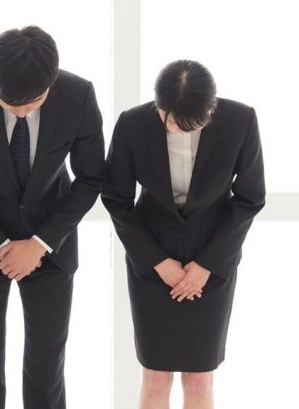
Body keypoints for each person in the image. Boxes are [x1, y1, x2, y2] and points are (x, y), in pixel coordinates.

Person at [0, 26, 105, 409]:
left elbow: (91, 177)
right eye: (10, 103)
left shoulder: (78, 95)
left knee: (47, 366)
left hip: (51, 243)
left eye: (33, 102)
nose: (22, 111)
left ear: (51, 82)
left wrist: (40, 244)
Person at [101, 60, 266, 408]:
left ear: (211, 108)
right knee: (155, 378)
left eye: (192, 124)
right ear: (158, 106)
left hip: (212, 261)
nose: (180, 130)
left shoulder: (241, 120)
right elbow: (116, 199)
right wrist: (157, 261)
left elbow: (250, 198)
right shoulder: (132, 124)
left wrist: (207, 265)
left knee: (199, 379)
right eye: (173, 122)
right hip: (151, 261)